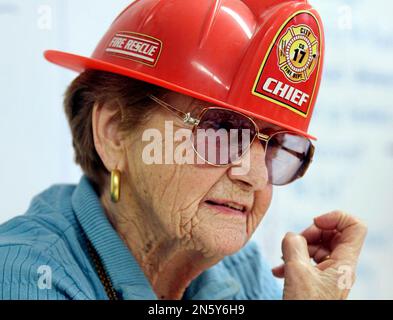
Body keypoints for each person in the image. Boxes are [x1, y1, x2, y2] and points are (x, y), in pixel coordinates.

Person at [0, 0, 367, 300]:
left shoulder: (238, 269)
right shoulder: (25, 275)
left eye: (278, 147)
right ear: (113, 132)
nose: (255, 177)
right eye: (221, 129)